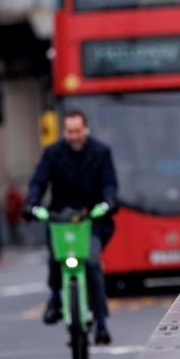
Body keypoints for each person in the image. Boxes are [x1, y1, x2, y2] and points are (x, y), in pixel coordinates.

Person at [25, 110, 118, 345]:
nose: (74, 136)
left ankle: (101, 324)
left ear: (85, 129)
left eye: (77, 131)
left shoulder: (101, 152)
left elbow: (109, 185)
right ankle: (55, 298)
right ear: (63, 131)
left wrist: (107, 203)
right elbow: (38, 182)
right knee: (56, 258)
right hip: (60, 220)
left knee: (92, 263)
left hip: (92, 221)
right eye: (69, 132)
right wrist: (32, 204)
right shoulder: (52, 154)